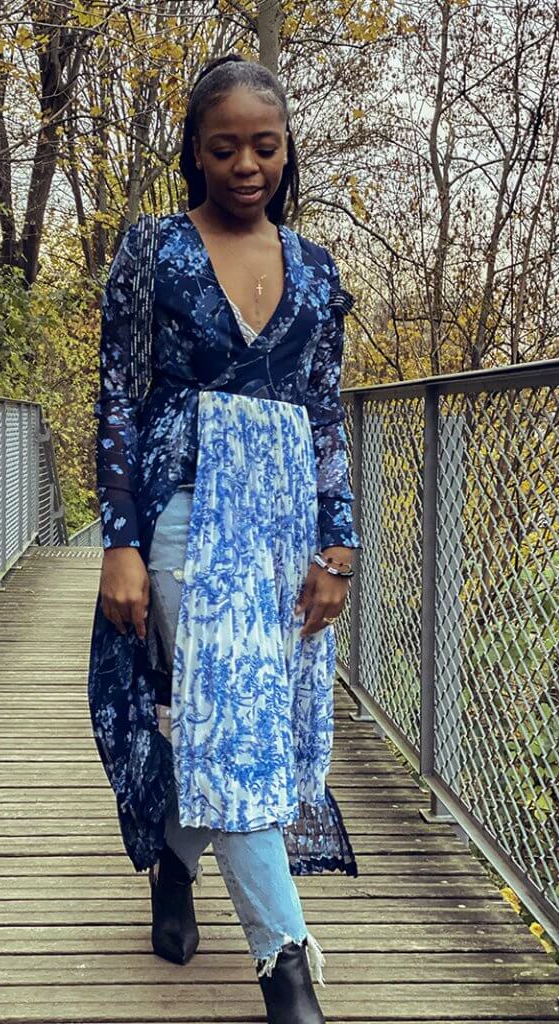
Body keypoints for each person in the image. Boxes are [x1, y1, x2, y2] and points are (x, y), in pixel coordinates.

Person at [86, 53, 361, 1024]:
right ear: (195, 154)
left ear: (287, 153)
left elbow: (326, 414)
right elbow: (119, 399)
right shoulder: (154, 251)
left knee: (251, 719)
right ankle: (286, 969)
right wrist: (119, 543)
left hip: (286, 524)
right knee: (236, 720)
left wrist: (338, 547)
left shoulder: (317, 268)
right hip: (183, 515)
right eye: (224, 148)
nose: (247, 165)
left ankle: (174, 857)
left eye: (265, 147)